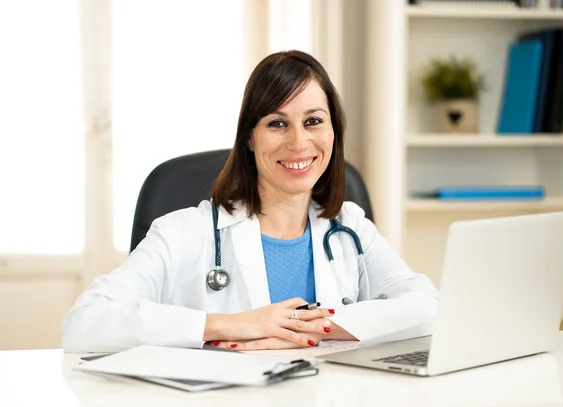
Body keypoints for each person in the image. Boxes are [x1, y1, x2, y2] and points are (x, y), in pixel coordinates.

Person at [61, 50, 439, 353]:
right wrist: (235, 324)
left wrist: (322, 327)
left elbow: (431, 307)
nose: (298, 142)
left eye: (313, 121)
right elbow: (83, 323)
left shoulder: (349, 226)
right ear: (249, 138)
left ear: (334, 131)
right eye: (277, 123)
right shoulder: (182, 233)